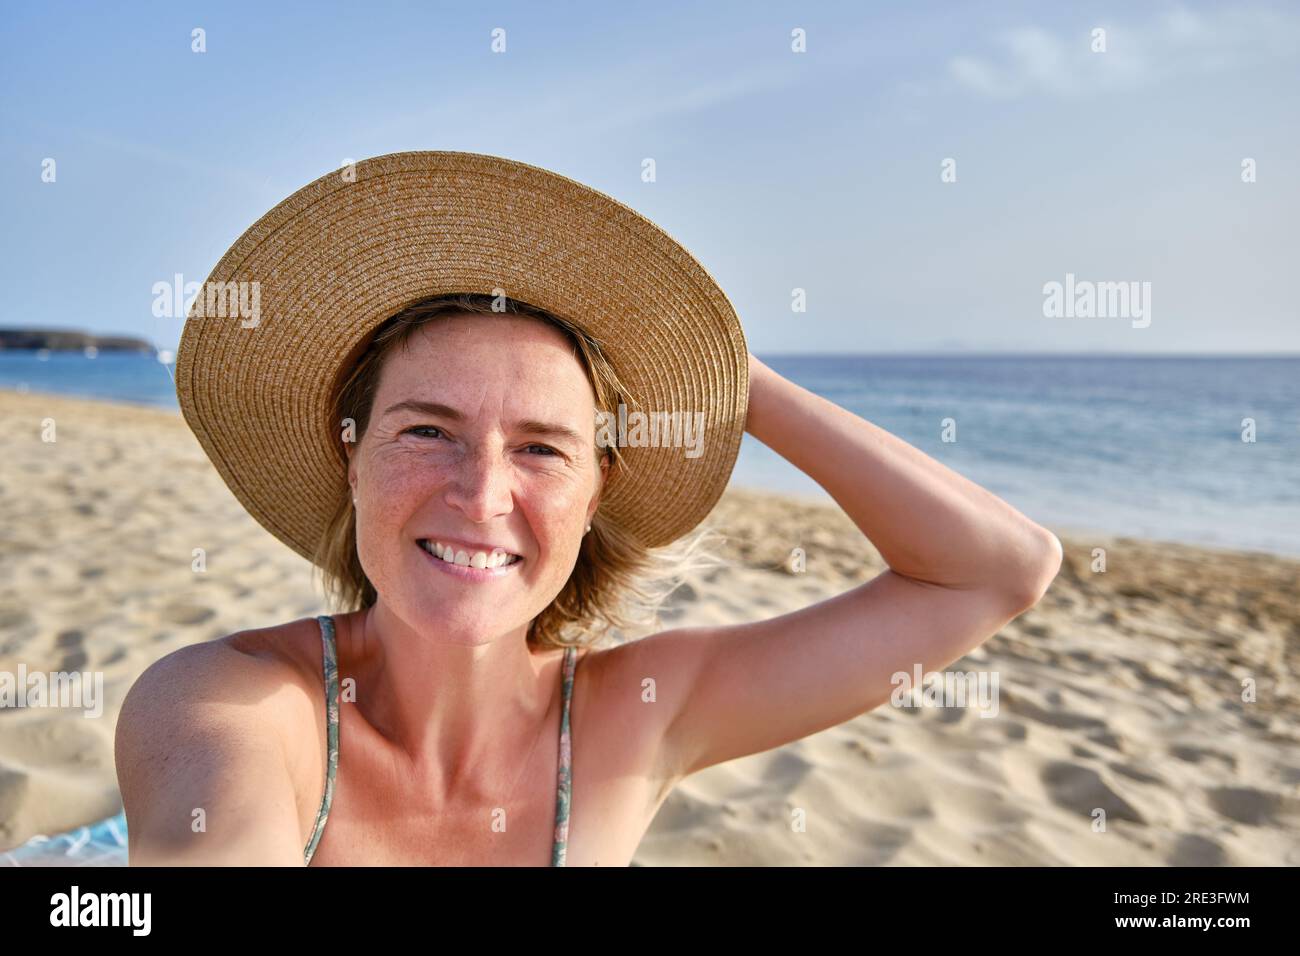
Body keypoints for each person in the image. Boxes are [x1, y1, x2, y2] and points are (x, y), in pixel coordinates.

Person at [114, 152, 1061, 866]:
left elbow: (997, 570)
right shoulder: (235, 701)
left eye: (542, 448)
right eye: (426, 432)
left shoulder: (637, 716)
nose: (482, 495)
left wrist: (730, 374)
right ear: (349, 455)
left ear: (597, 489)